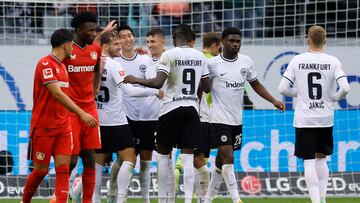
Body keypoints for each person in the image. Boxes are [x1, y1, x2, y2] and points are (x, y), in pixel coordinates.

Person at [124, 24, 211, 203]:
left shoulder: (169, 55)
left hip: (170, 108)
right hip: (192, 108)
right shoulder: (200, 56)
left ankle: (163, 200)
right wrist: (195, 100)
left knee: (163, 156)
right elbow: (207, 87)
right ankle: (188, 200)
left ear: (173, 39)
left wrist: (134, 79)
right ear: (191, 41)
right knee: (187, 159)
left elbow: (157, 83)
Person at [204, 27, 285, 203]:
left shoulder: (246, 62)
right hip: (218, 118)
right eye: (232, 41)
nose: (235, 44)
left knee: (220, 161)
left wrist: (273, 101)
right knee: (229, 157)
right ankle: (236, 198)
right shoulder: (212, 64)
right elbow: (203, 88)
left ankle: (207, 199)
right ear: (223, 42)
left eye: (238, 41)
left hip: (237, 119)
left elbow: (256, 84)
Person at [22, 28, 98, 203]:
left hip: (63, 128)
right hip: (44, 127)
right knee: (40, 170)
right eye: (72, 44)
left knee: (63, 170)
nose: (73, 48)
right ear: (65, 44)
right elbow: (56, 93)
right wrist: (81, 113)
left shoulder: (63, 67)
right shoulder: (45, 64)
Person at [278, 25, 350, 203]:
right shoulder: (333, 61)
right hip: (325, 118)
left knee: (309, 161)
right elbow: (346, 88)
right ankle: (323, 199)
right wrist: (334, 96)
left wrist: (300, 93)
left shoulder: (297, 60)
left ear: (307, 40)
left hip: (305, 119)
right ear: (325, 41)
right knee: (322, 159)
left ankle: (316, 201)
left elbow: (282, 88)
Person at [93, 31, 162, 203]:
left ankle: (91, 197)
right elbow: (129, 91)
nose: (120, 46)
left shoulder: (92, 63)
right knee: (129, 159)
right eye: (116, 44)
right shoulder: (114, 65)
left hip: (97, 120)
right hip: (116, 121)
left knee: (98, 163)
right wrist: (154, 91)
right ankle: (121, 199)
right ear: (107, 46)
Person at [61, 11, 110, 203]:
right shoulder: (65, 50)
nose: (93, 33)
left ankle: (87, 200)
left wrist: (94, 90)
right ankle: (62, 195)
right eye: (90, 30)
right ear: (78, 29)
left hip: (89, 109)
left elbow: (97, 70)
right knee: (71, 159)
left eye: (95, 30)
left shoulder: (95, 49)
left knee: (90, 157)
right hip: (71, 111)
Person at [108, 25, 157, 203]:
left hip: (146, 116)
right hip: (124, 117)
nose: (128, 39)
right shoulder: (114, 62)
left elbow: (154, 77)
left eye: (130, 36)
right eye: (123, 37)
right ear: (117, 41)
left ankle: (146, 199)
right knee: (123, 161)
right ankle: (112, 195)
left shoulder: (145, 58)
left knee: (145, 161)